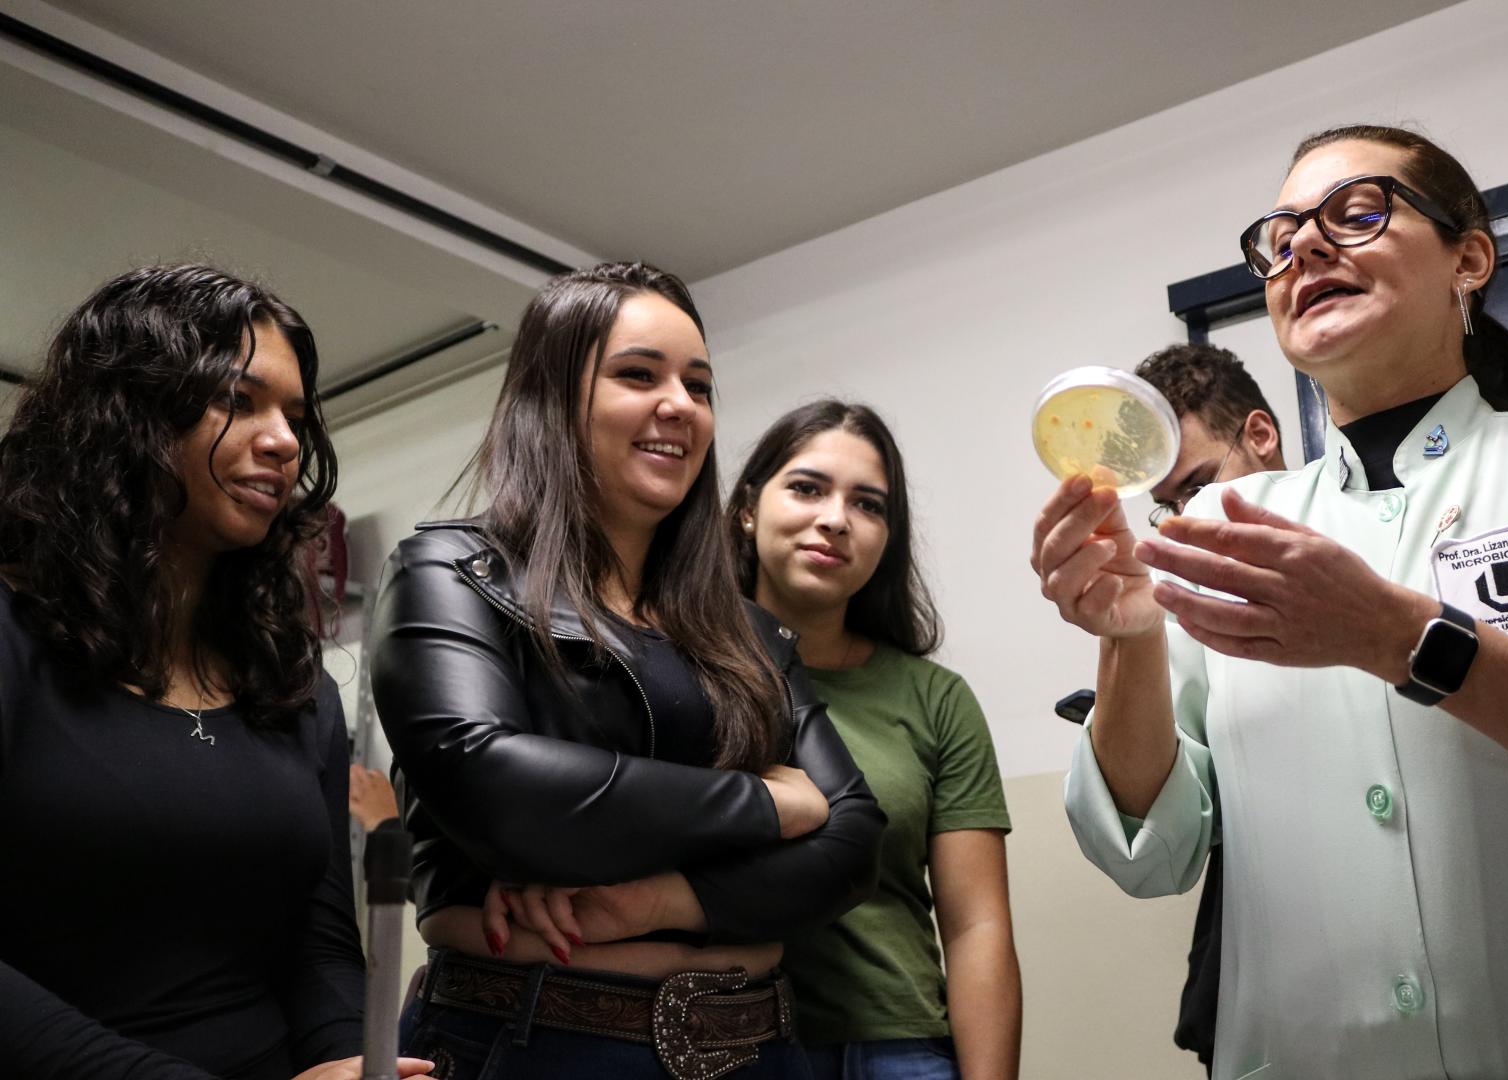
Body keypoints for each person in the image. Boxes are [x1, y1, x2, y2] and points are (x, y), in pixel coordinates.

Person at [1032, 125, 1508, 1078]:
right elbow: (1152, 854)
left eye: (1356, 213)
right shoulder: (1234, 520)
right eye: (1279, 240)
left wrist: (1405, 638)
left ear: (1468, 258)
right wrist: (1129, 642)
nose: (1304, 248)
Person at [369, 262, 885, 1079]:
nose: (680, 405)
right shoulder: (451, 572)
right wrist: (769, 799)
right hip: (534, 1040)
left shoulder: (747, 631)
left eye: (700, 385)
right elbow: (491, 782)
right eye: (639, 375)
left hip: (760, 1051)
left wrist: (656, 901)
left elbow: (854, 843)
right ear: (554, 396)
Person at [0, 265, 432, 1079]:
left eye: (296, 417)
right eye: (239, 399)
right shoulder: (12, 634)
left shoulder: (295, 687)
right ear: (126, 411)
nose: (284, 440)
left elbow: (320, 942)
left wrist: (349, 1060)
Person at [726, 401, 1019, 1080]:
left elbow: (977, 929)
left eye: (868, 504)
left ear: (887, 538)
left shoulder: (936, 700)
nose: (835, 518)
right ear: (748, 508)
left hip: (898, 1053)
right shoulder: (673, 672)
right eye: (807, 488)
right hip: (722, 1048)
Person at [1133, 343, 1286, 1073]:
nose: (1182, 521)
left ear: (1260, 436)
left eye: (1196, 486)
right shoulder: (1187, 611)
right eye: (1167, 505)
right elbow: (1158, 839)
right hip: (1259, 975)